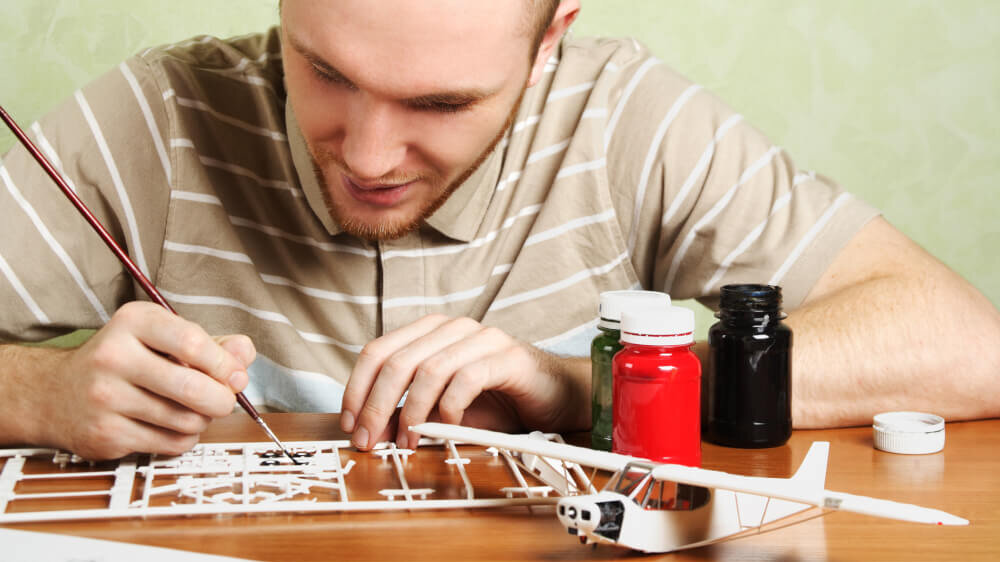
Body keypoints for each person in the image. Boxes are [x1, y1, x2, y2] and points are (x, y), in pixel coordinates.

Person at [1, 0, 997, 460]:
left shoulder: (625, 117)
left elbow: (964, 345)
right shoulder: (155, 113)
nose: (369, 154)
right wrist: (42, 391)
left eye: (439, 102)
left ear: (551, 34)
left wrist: (578, 387)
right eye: (327, 71)